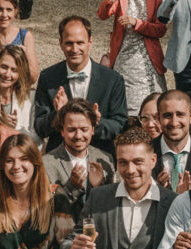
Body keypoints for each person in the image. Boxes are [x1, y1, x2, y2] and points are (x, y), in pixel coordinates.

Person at [32, 16, 127, 154]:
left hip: (100, 156)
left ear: (90, 42)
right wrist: (58, 114)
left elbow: (120, 126)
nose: (74, 49)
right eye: (69, 43)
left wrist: (96, 122)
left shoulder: (112, 80)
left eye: (80, 43)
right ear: (60, 43)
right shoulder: (48, 77)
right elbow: (40, 127)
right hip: (59, 158)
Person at [98, 0, 167, 110]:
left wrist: (137, 22)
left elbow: (160, 30)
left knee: (154, 105)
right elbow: (102, 15)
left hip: (148, 60)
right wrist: (108, 0)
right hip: (124, 59)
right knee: (125, 103)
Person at [43, 100, 113, 208]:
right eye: (72, 130)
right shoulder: (46, 164)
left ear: (93, 130)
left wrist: (99, 187)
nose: (78, 136)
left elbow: (111, 205)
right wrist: (71, 187)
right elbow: (46, 208)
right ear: (62, 131)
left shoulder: (105, 159)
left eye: (84, 129)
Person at [154, 89, 191, 194]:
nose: (174, 122)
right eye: (167, 115)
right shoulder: (146, 152)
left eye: (180, 114)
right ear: (158, 118)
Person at [0, 43, 36, 133]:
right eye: (4, 67)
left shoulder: (30, 98)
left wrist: (15, 130)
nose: (7, 74)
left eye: (14, 70)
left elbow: (36, 138)